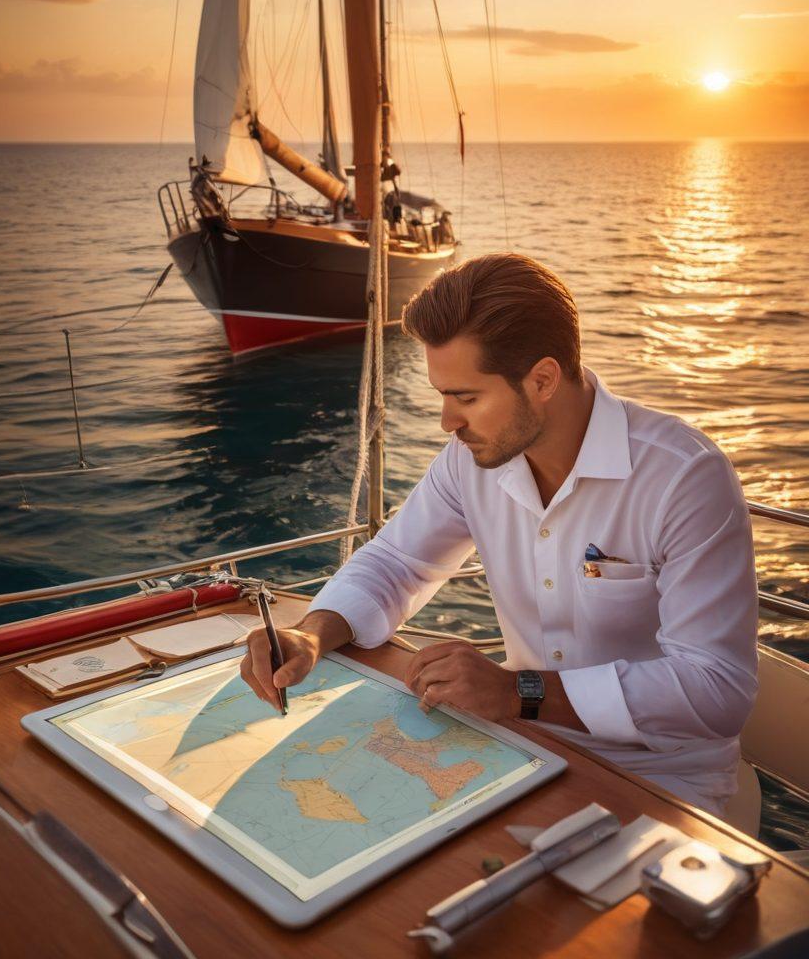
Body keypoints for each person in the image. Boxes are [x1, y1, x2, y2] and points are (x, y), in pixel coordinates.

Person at [241, 253, 758, 818]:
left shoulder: (683, 476)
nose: (447, 421)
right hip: (523, 747)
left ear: (542, 379)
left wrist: (521, 691)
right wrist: (313, 635)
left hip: (662, 779)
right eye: (443, 395)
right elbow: (396, 562)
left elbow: (716, 689)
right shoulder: (471, 461)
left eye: (466, 398)